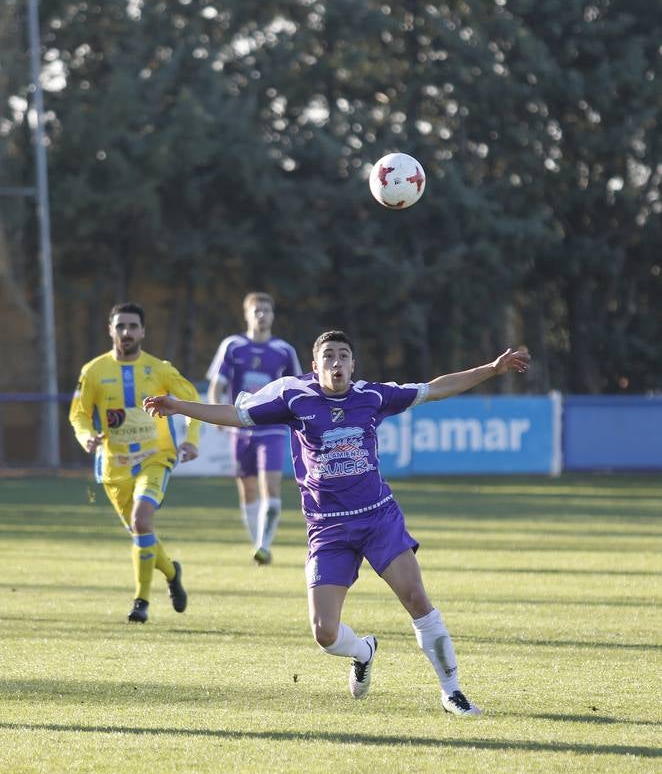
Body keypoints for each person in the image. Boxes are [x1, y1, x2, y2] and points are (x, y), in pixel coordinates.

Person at [144, 330, 530, 715]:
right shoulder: (294, 398)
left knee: (417, 599)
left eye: (344, 355)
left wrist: (492, 369)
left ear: (353, 365)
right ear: (315, 366)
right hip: (327, 528)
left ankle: (452, 691)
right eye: (328, 356)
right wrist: (180, 406)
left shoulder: (373, 396)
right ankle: (364, 652)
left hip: (378, 518)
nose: (337, 363)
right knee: (325, 633)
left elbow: (434, 389)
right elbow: (235, 415)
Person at [69, 302, 201, 624]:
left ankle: (141, 601)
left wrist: (191, 439)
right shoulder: (93, 371)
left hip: (156, 458)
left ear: (143, 331)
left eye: (132, 326)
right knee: (141, 532)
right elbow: (79, 413)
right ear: (110, 330)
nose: (126, 332)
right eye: (120, 326)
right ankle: (171, 572)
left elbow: (191, 399)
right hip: (115, 466)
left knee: (142, 521)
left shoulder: (159, 369)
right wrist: (86, 436)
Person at [206, 292, 301, 565]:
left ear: (273, 316)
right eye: (256, 311)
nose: (262, 315)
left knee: (270, 487)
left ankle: (264, 546)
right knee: (247, 491)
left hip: (271, 429)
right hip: (240, 429)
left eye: (266, 311)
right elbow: (218, 384)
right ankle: (257, 543)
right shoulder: (233, 346)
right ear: (247, 315)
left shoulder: (284, 350)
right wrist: (216, 413)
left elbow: (294, 388)